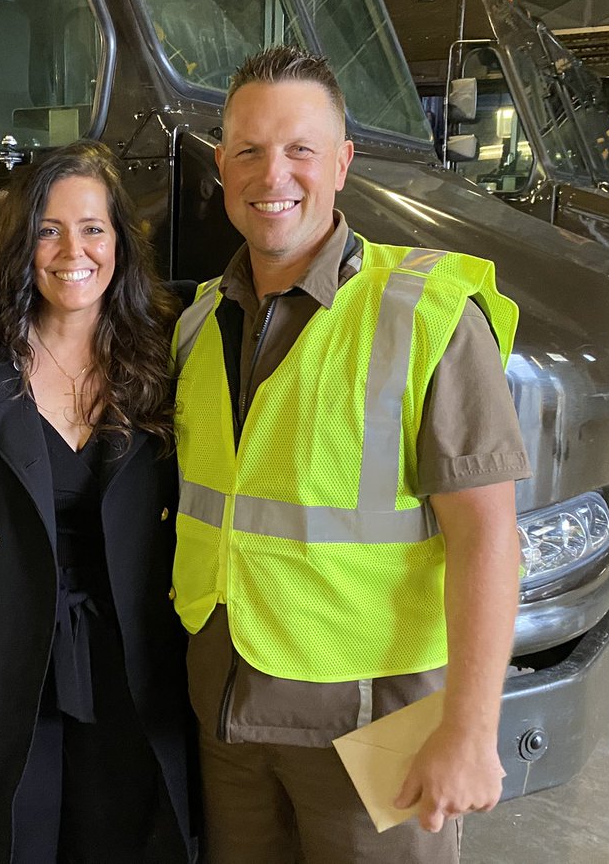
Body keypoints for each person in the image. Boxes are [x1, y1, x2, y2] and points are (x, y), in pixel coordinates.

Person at [171, 46, 531, 862]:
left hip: (375, 724)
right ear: (222, 165)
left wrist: (472, 729)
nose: (275, 175)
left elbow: (488, 537)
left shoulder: (424, 313)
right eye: (251, 151)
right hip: (228, 710)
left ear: (342, 162)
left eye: (301, 149)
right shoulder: (196, 327)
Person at [0, 140, 198, 863]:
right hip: (4, 669)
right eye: (48, 229)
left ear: (120, 243)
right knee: (12, 839)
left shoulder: (169, 359)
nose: (71, 250)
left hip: (128, 670)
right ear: (21, 243)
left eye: (92, 229)